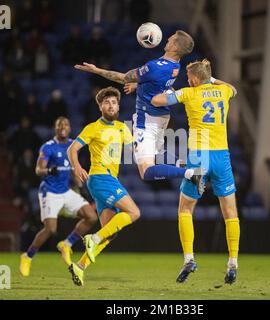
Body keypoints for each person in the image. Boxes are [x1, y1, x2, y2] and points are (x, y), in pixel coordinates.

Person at [74, 30, 206, 195]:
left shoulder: (154, 67)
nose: (167, 39)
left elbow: (124, 78)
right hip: (161, 116)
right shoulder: (175, 65)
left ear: (174, 47)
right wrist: (139, 86)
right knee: (155, 154)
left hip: (148, 119)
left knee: (146, 171)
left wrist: (97, 70)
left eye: (171, 39)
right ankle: (184, 166)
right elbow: (163, 86)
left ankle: (191, 173)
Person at [151, 59, 240, 285]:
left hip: (200, 155)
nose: (187, 81)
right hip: (222, 156)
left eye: (189, 78)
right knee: (230, 212)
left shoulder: (188, 93)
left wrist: (171, 91)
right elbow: (234, 89)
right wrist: (211, 79)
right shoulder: (223, 91)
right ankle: (232, 262)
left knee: (185, 209)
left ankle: (189, 258)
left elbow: (157, 100)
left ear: (194, 79)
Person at [67, 87, 140, 286]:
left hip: (110, 180)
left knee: (110, 232)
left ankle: (79, 267)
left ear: (117, 106)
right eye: (106, 102)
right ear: (100, 106)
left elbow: (136, 150)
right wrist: (77, 167)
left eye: (114, 102)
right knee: (134, 213)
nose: (111, 105)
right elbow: (72, 148)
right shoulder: (93, 128)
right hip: (99, 178)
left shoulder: (122, 128)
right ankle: (93, 238)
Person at [19, 117, 98, 277]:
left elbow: (75, 171)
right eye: (60, 124)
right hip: (50, 192)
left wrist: (81, 189)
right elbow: (38, 169)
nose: (63, 127)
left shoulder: (72, 145)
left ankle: (66, 244)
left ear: (69, 128)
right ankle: (27, 256)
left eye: (66, 124)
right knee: (50, 229)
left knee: (91, 217)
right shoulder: (48, 147)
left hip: (65, 190)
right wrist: (48, 170)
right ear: (55, 128)